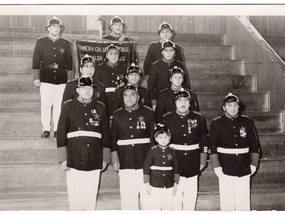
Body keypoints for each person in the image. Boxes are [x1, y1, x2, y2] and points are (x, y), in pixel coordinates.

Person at [57, 77, 110, 211]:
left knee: (90, 194)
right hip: (74, 155)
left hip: (95, 156)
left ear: (93, 90)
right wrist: (63, 158)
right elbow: (61, 132)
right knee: (75, 195)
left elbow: (106, 134)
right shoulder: (68, 106)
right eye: (83, 88)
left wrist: (105, 158)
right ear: (77, 90)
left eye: (90, 88)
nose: (87, 91)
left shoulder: (100, 107)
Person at [208, 93, 260, 211]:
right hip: (225, 166)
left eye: (235, 105)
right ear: (224, 107)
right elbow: (212, 146)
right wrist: (216, 167)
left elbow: (254, 144)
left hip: (244, 165)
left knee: (243, 199)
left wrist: (253, 164)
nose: (233, 108)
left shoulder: (247, 121)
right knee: (227, 200)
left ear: (239, 107)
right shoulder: (217, 123)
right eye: (229, 105)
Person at [163, 88, 208, 211]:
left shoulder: (198, 118)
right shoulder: (167, 118)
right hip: (174, 159)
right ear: (175, 102)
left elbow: (204, 140)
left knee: (190, 195)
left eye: (186, 100)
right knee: (175, 196)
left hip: (193, 160)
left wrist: (202, 160)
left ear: (190, 103)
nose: (182, 103)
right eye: (179, 100)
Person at [111, 85, 155, 210]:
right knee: (128, 199)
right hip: (125, 161)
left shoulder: (147, 112)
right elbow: (113, 139)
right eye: (126, 95)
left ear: (138, 97)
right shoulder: (118, 114)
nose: (129, 98)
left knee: (148, 198)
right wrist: (115, 159)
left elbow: (153, 138)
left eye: (132, 95)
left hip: (144, 161)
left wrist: (153, 160)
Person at [32, 16, 73, 138]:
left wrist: (69, 79)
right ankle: (46, 128)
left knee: (58, 104)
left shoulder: (65, 43)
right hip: (45, 76)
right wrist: (36, 77)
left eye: (58, 27)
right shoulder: (41, 42)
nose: (56, 29)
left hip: (61, 77)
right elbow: (35, 61)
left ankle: (57, 129)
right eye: (53, 26)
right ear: (48, 28)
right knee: (46, 104)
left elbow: (70, 62)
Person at [143, 123, 180, 210]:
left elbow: (176, 168)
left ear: (170, 138)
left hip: (169, 184)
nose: (163, 140)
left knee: (167, 205)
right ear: (155, 139)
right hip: (155, 183)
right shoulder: (152, 151)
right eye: (160, 137)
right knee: (155, 206)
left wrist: (175, 183)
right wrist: (147, 183)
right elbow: (146, 167)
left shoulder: (173, 151)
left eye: (166, 137)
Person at [148, 40, 190, 110]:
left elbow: (185, 83)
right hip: (161, 99)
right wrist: (154, 101)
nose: (168, 53)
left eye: (171, 50)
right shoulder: (155, 66)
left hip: (178, 99)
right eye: (166, 50)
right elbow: (151, 86)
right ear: (162, 52)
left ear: (174, 52)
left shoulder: (179, 64)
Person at [94, 44, 127, 119]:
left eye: (116, 54)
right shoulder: (99, 68)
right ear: (106, 56)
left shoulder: (124, 69)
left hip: (119, 100)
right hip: (105, 99)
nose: (114, 56)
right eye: (111, 53)